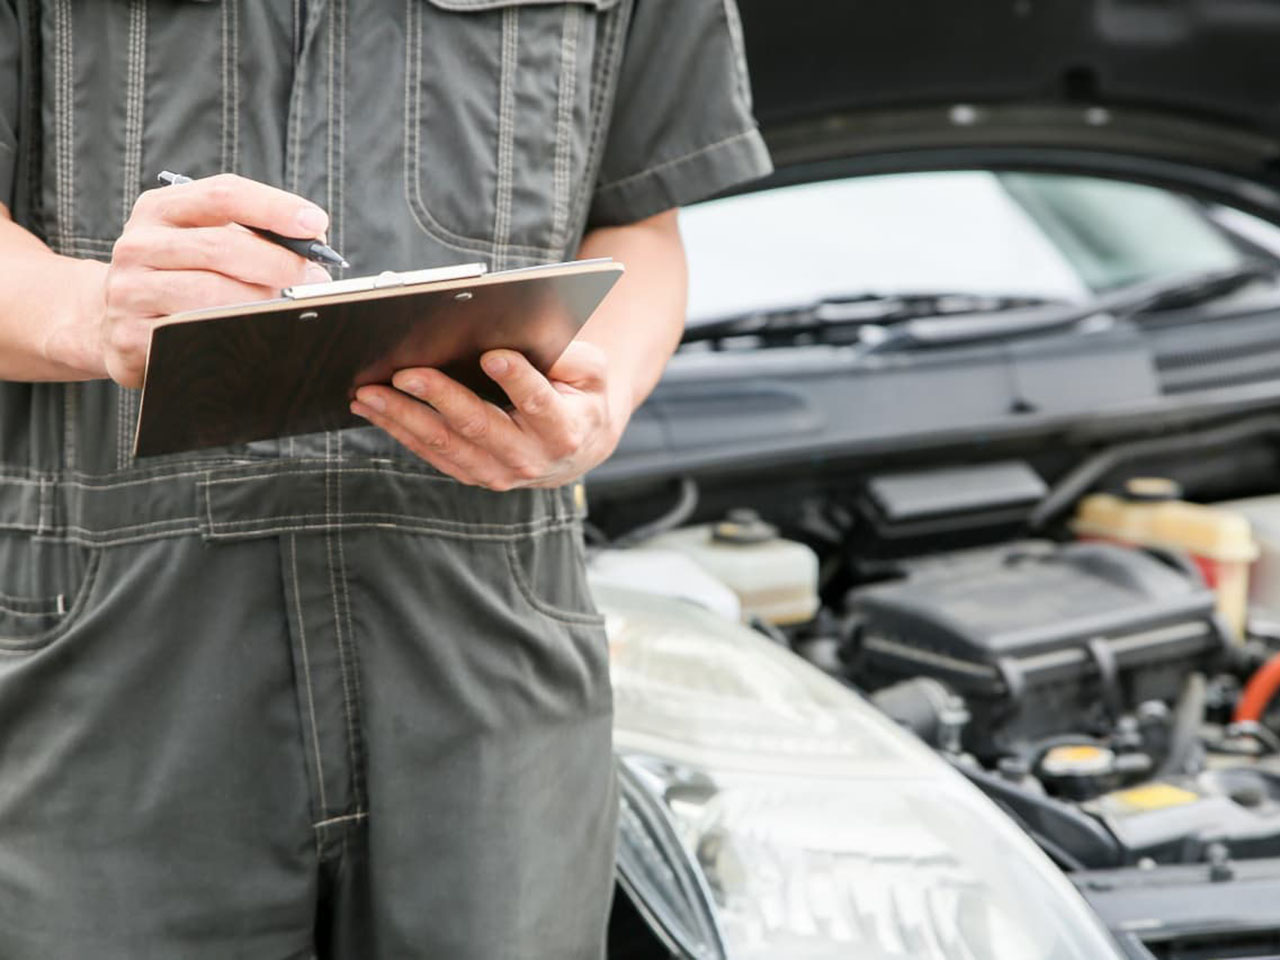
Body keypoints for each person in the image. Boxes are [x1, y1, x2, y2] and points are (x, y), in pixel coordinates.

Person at [0, 1, 770, 957]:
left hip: (491, 653)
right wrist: (92, 312)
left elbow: (641, 225)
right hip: (108, 646)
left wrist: (595, 406)